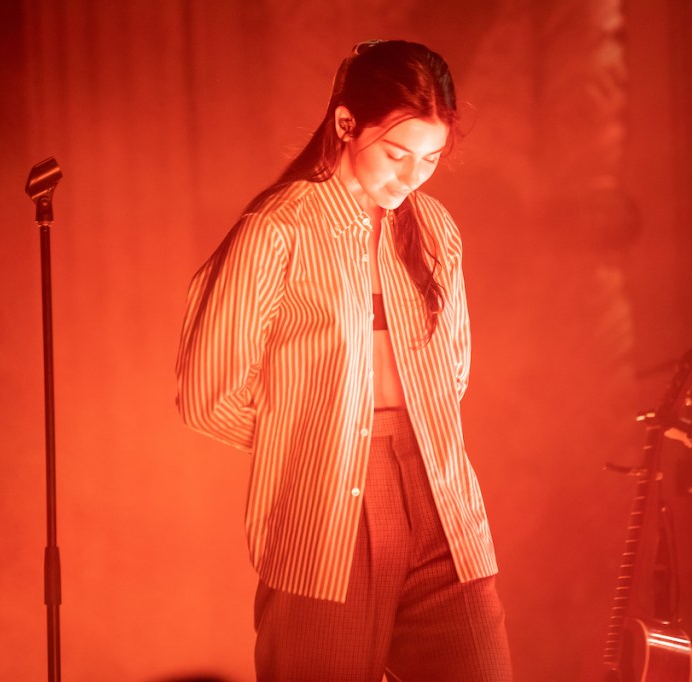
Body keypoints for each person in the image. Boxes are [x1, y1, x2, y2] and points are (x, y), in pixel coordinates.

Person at [176, 39, 512, 681]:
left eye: (431, 159)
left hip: (443, 501)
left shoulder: (434, 229)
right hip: (325, 516)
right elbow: (207, 396)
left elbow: (453, 372)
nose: (412, 177)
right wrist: (308, 437)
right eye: (396, 153)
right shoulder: (278, 228)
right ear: (346, 123)